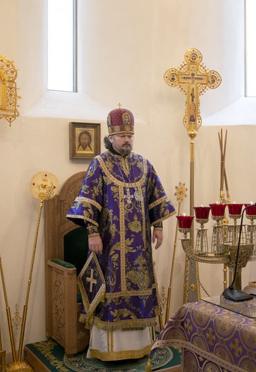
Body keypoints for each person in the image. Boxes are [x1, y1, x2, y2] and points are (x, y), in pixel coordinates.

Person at [67, 106, 175, 361]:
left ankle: (141, 346)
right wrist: (92, 233)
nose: (127, 140)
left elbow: (155, 196)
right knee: (111, 289)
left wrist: (158, 226)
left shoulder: (143, 164)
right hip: (110, 245)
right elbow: (88, 201)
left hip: (139, 247)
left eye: (130, 135)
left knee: (140, 286)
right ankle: (108, 350)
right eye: (122, 135)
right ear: (111, 137)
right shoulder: (99, 164)